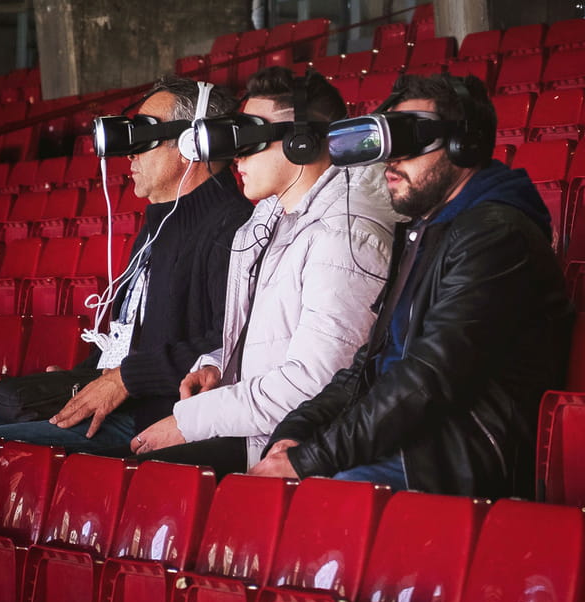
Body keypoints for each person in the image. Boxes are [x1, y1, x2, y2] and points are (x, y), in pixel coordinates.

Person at [249, 72, 573, 496]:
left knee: (317, 498)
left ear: (464, 145)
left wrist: (311, 459)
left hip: (460, 456)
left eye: (411, 140)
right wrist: (295, 432)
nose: (391, 161)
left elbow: (429, 378)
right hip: (415, 437)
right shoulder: (428, 229)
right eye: (388, 144)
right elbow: (368, 366)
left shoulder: (497, 234)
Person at [0, 75, 251, 454]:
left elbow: (231, 344)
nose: (130, 154)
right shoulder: (161, 224)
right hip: (126, 407)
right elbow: (133, 335)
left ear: (192, 144)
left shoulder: (232, 228)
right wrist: (85, 377)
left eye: (144, 137)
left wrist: (124, 380)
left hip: (161, 420)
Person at [128, 66, 396, 476]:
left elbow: (315, 384)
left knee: (143, 476)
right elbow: (272, 338)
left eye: (250, 141)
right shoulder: (273, 221)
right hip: (257, 430)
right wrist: (219, 362)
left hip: (295, 447)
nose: (237, 156)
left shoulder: (343, 237)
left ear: (301, 143)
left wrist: (189, 421)